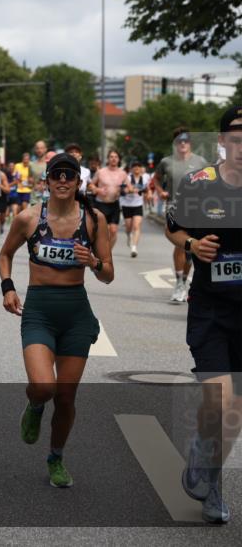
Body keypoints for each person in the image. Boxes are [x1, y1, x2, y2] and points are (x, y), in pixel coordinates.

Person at [0, 152, 113, 488]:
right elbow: (5, 254)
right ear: (46, 181)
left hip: (76, 314)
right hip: (39, 312)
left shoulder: (94, 220)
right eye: (57, 174)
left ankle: (56, 458)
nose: (63, 180)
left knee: (65, 397)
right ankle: (35, 405)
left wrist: (93, 262)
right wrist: (8, 288)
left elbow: (108, 274)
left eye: (69, 175)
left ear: (79, 182)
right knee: (43, 387)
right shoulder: (28, 218)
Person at [166, 104, 242, 524]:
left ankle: (210, 481)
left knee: (232, 414)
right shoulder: (199, 184)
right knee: (220, 398)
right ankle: (204, 457)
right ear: (223, 141)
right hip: (211, 310)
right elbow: (173, 227)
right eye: (236, 138)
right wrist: (192, 245)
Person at [154, 127, 209, 303]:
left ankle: (184, 280)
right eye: (179, 141)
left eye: (186, 140)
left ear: (190, 142)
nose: (183, 143)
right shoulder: (166, 162)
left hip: (196, 209)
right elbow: (156, 179)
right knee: (180, 245)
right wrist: (160, 191)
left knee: (190, 250)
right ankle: (179, 284)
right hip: (174, 206)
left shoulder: (201, 161)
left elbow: (210, 181)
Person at [88, 149, 128, 252]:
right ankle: (99, 251)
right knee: (101, 231)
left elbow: (128, 187)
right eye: (111, 157)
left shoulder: (123, 173)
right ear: (108, 159)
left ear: (119, 159)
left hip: (114, 204)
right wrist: (98, 190)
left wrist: (125, 190)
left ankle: (106, 253)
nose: (113, 159)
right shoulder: (101, 172)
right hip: (101, 204)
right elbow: (90, 185)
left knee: (113, 231)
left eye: (116, 157)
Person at [120, 161, 150, 258]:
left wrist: (149, 194)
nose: (136, 168)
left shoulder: (145, 178)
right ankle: (129, 235)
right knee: (128, 227)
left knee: (136, 226)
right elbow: (123, 190)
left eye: (138, 166)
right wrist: (130, 190)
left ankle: (134, 247)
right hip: (127, 205)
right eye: (134, 166)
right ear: (131, 169)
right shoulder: (128, 178)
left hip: (138, 205)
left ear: (141, 168)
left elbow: (147, 189)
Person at [12, 152, 34, 217]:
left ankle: (24, 220)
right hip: (18, 189)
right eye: (24, 159)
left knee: (24, 206)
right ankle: (19, 220)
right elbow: (14, 175)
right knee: (18, 208)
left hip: (27, 189)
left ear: (29, 160)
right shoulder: (17, 165)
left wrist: (31, 180)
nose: (26, 161)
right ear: (22, 159)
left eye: (27, 159)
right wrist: (17, 177)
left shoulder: (31, 166)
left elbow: (34, 177)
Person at [29, 140, 49, 207]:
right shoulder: (31, 164)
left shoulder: (49, 164)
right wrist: (30, 182)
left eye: (41, 148)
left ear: (45, 149)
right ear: (35, 150)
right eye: (37, 148)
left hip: (47, 198)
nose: (39, 150)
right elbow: (29, 180)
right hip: (34, 199)